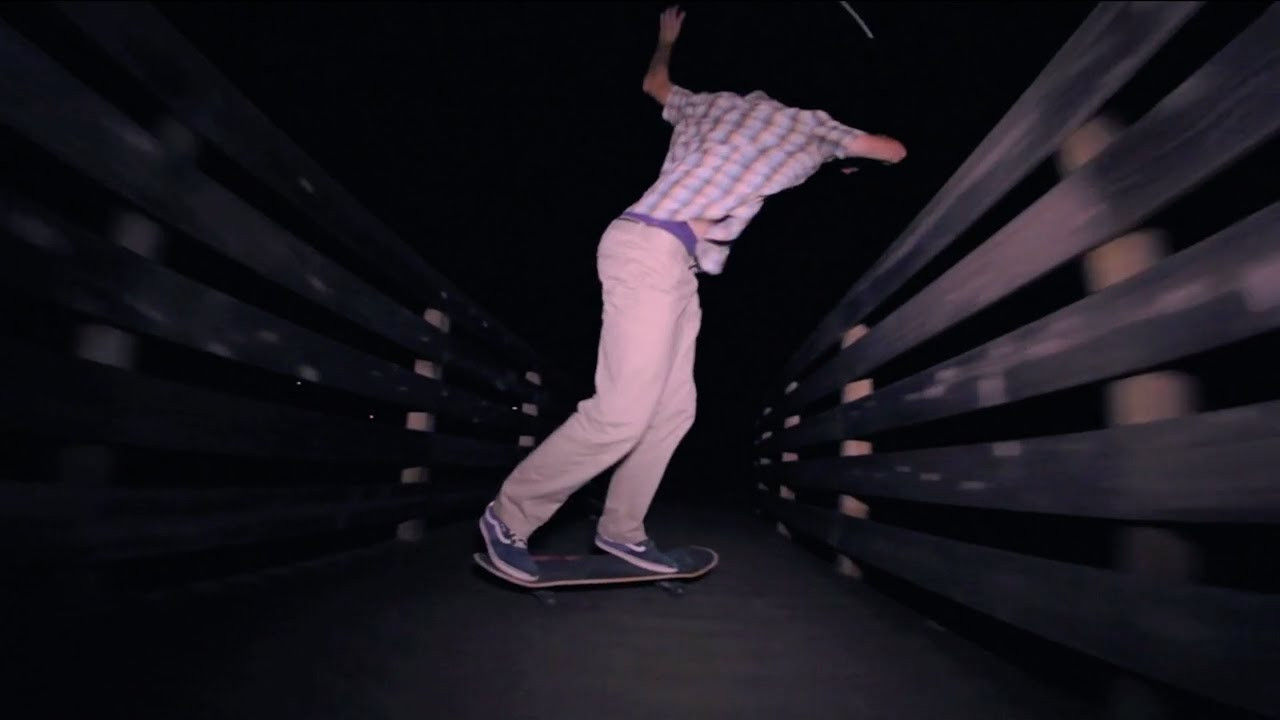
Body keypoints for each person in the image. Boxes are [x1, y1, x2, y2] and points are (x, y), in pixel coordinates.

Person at [480, 6, 906, 581]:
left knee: (674, 409)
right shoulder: (810, 125)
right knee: (621, 414)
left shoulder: (711, 105)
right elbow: (893, 150)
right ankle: (509, 517)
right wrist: (846, 151)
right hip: (649, 253)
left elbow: (654, 84)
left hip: (666, 259)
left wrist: (665, 38)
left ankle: (622, 531)